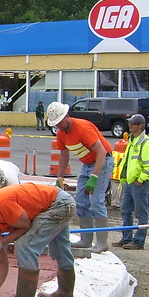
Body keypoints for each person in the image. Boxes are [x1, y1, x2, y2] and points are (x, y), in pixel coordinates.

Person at [47, 101, 114, 253]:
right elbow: (64, 156)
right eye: (56, 124)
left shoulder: (83, 128)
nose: (59, 126)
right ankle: (86, 240)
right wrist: (60, 177)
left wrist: (95, 176)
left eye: (59, 122)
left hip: (102, 161)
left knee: (96, 201)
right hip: (87, 164)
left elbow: (101, 152)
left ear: (66, 116)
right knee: (82, 202)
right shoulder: (61, 134)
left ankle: (102, 242)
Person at [115, 114, 149, 250]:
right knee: (125, 210)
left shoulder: (146, 143)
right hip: (130, 182)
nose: (130, 126)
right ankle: (127, 237)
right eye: (130, 123)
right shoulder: (133, 141)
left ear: (140, 126)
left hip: (139, 183)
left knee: (141, 212)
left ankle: (138, 241)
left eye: (133, 124)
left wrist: (140, 179)